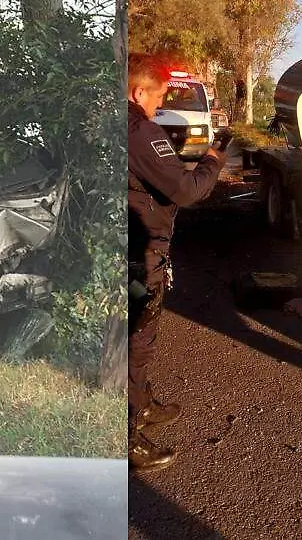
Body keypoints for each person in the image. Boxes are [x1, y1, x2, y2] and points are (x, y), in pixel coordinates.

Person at [127, 54, 226, 472]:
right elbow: (186, 190)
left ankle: (142, 403)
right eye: (158, 96)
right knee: (135, 341)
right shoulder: (139, 130)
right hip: (137, 251)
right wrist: (213, 161)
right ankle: (126, 436)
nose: (159, 105)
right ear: (138, 92)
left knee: (137, 339)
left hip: (131, 244)